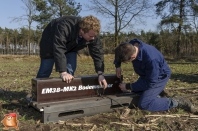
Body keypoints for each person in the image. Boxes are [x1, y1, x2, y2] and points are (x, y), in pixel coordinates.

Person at [114, 38, 195, 118]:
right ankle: (158, 94)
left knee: (144, 104)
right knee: (136, 92)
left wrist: (128, 86)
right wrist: (118, 66)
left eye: (126, 62)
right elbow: (119, 52)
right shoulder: (129, 46)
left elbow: (150, 82)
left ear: (132, 57)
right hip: (146, 75)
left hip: (159, 77)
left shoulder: (152, 59)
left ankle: (175, 102)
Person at [36, 15, 107, 88]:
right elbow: (59, 48)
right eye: (90, 36)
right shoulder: (64, 26)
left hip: (71, 47)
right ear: (82, 30)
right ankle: (37, 92)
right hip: (49, 44)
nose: (93, 38)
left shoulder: (93, 33)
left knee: (70, 70)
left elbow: (97, 53)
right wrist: (63, 72)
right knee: (45, 70)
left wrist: (100, 74)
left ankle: (66, 91)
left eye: (94, 36)